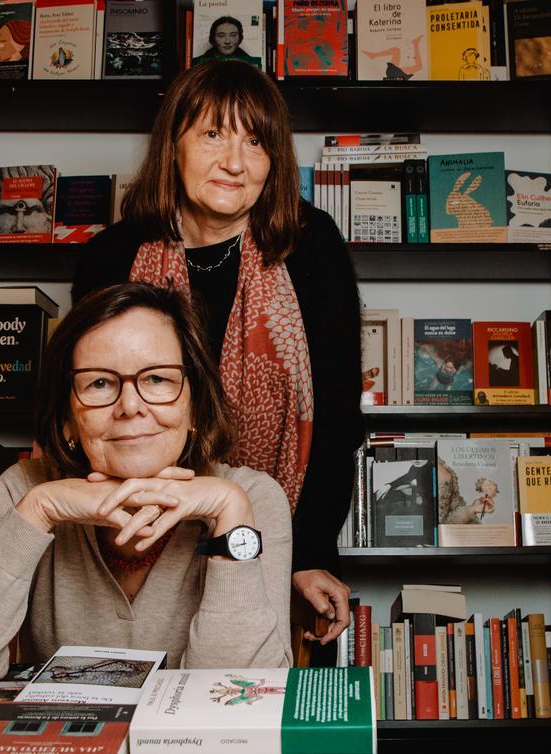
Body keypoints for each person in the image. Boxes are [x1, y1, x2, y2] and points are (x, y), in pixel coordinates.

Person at [72, 60, 363, 650]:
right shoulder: (111, 256)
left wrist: (307, 555)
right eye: (213, 135)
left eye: (255, 142)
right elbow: (84, 405)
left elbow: (335, 418)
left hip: (264, 533)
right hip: (131, 536)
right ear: (173, 144)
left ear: (273, 162)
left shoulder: (312, 246)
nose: (235, 161)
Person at [0, 284, 294, 691]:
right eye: (100, 384)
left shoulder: (251, 498)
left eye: (157, 378)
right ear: (67, 418)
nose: (130, 406)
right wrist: (41, 508)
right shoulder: (26, 488)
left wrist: (230, 514)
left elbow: (243, 694)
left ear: (194, 407)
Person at [192, 16, 262, 67]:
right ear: (213, 38)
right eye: (221, 36)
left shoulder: (251, 64)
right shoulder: (200, 63)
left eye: (233, 35)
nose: (227, 41)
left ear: (240, 37)